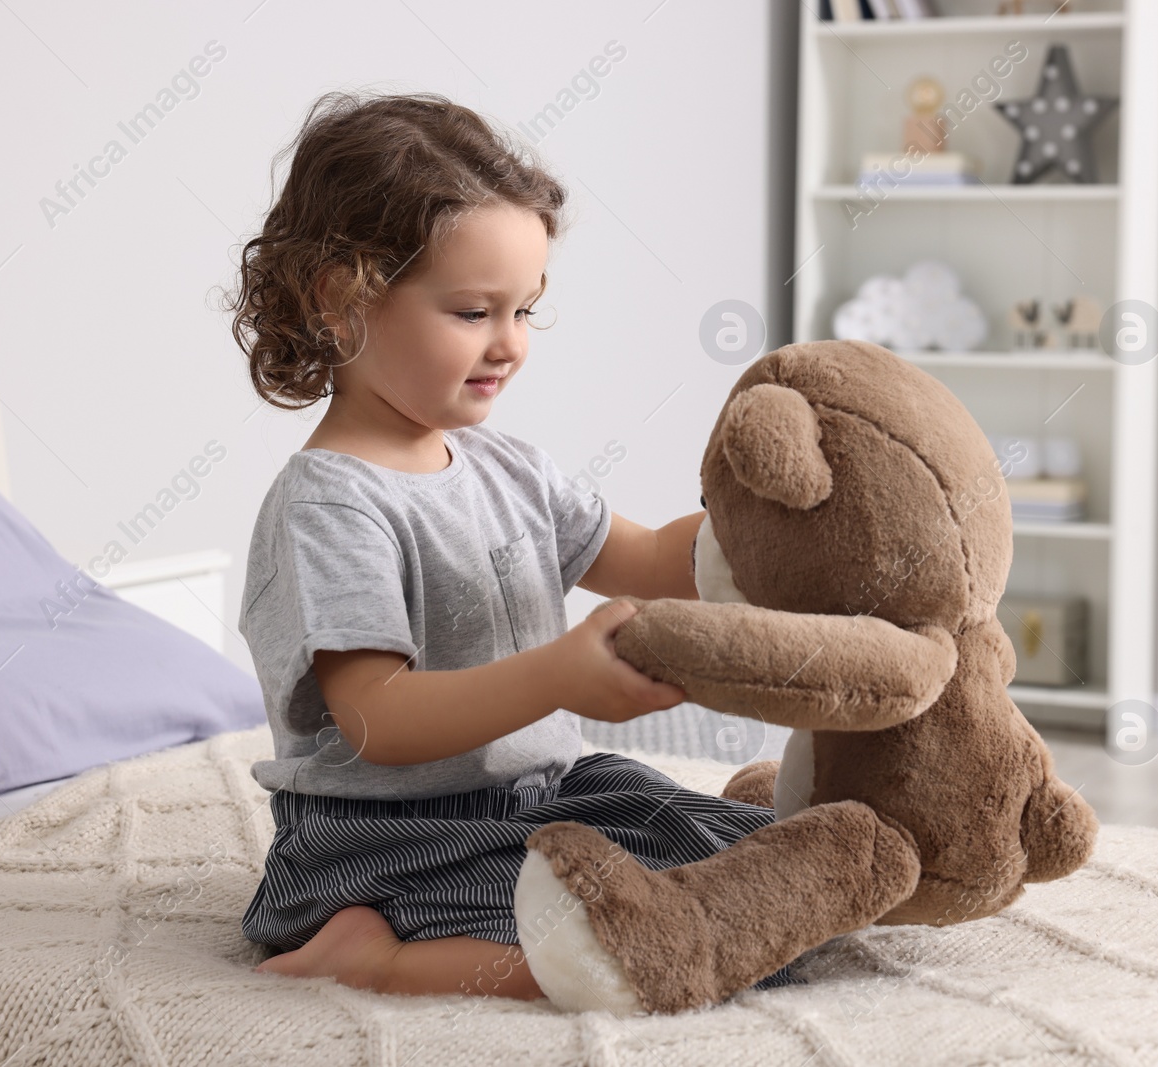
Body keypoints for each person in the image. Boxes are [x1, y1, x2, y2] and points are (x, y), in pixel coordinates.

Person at [227, 90, 800, 1002]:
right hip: (390, 836)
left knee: (781, 892)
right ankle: (371, 956)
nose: (510, 345)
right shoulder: (329, 502)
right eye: (472, 312)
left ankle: (701, 867)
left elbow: (652, 558)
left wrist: (771, 534)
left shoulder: (510, 467)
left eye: (526, 311)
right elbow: (377, 718)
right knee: (629, 945)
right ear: (341, 298)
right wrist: (560, 676)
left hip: (548, 791)